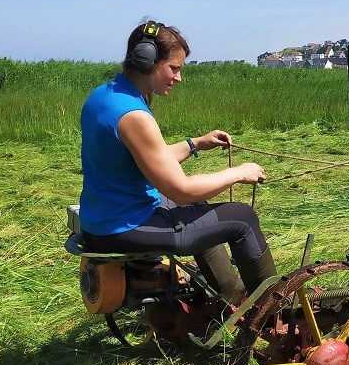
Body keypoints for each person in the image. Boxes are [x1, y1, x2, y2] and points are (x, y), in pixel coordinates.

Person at [79, 20, 277, 304]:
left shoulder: (104, 96)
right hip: (123, 228)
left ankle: (228, 296)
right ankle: (272, 310)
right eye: (174, 68)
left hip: (100, 220)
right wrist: (237, 173)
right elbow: (180, 190)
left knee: (198, 209)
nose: (178, 77)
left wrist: (196, 144)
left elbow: (146, 158)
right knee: (242, 218)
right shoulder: (134, 115)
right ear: (147, 61)